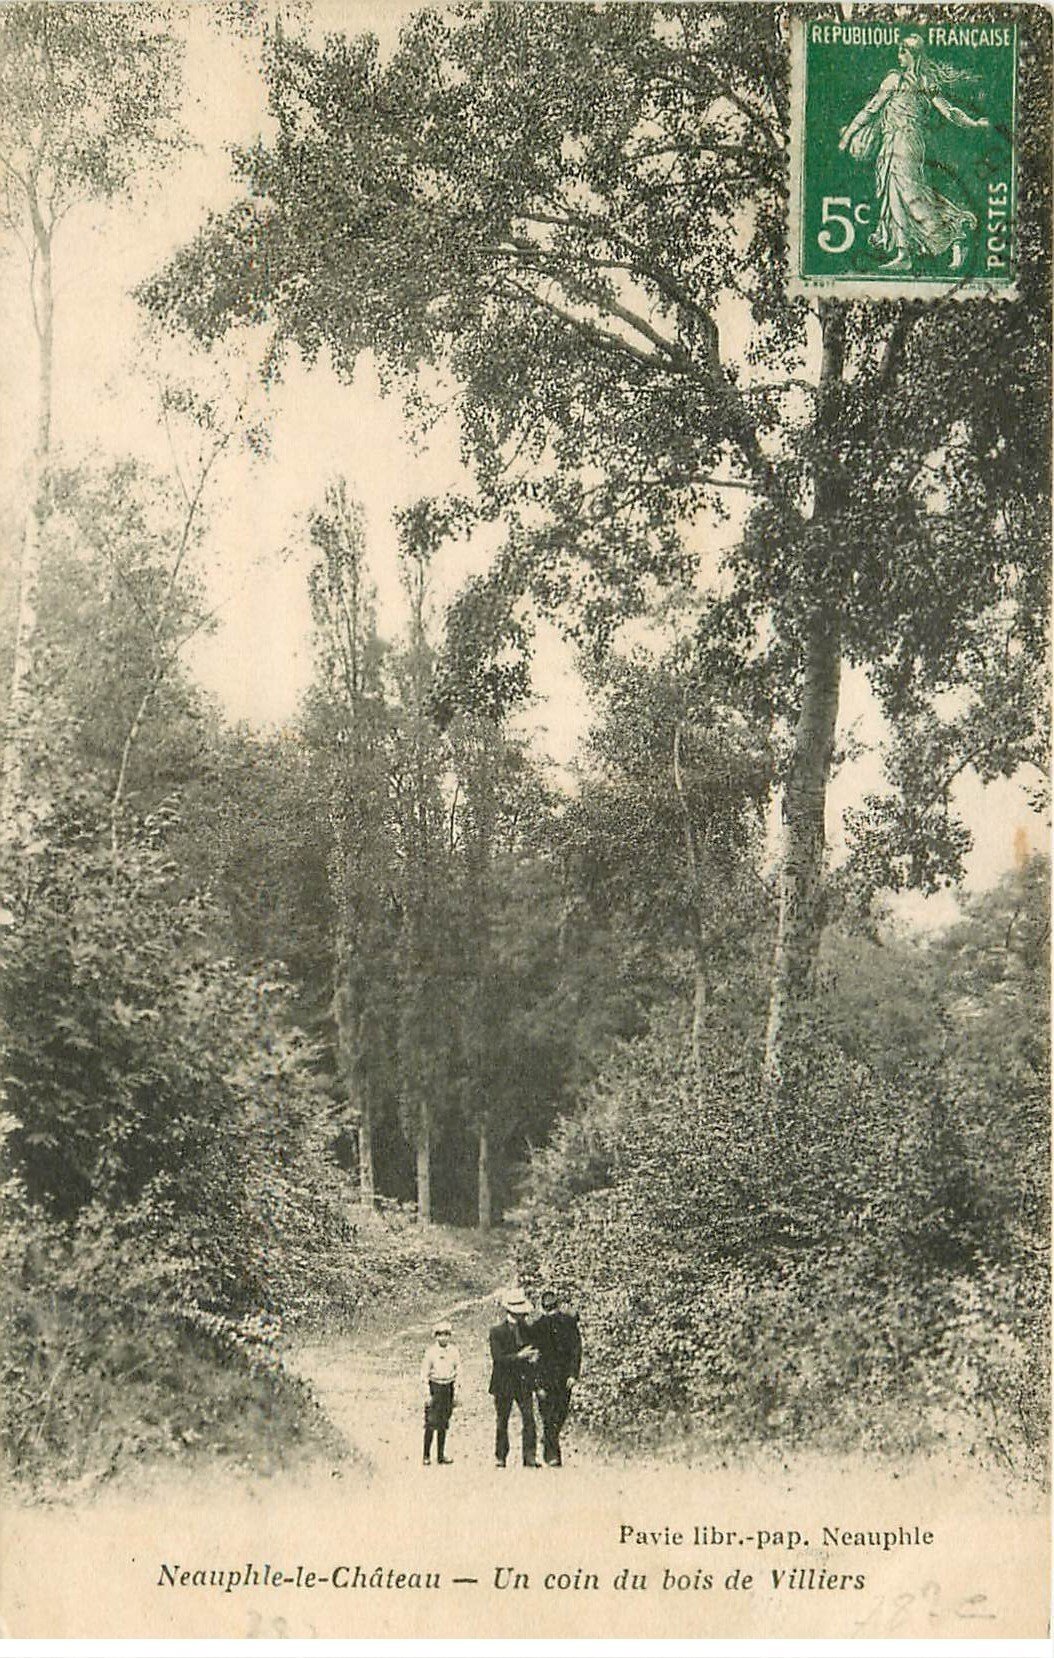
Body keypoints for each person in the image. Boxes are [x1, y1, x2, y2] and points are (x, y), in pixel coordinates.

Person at [838, 33, 989, 272]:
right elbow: (871, 109)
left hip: (906, 144)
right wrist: (848, 136)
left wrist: (973, 124)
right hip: (893, 143)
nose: (899, 54)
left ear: (913, 55)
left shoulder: (917, 82)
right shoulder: (898, 80)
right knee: (899, 194)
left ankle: (952, 236)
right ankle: (904, 252)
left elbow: (948, 111)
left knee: (910, 196)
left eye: (903, 50)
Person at [488, 1288, 541, 1468]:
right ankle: (501, 1456)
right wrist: (520, 1356)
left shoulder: (527, 1329)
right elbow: (498, 1358)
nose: (523, 1315)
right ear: (511, 1311)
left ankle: (530, 1457)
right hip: (503, 1383)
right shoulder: (496, 1332)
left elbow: (534, 1350)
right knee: (502, 1420)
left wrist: (533, 1357)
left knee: (529, 1418)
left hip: (523, 1382)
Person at [532, 1288, 583, 1467]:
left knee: (560, 1413)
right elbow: (533, 1359)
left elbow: (576, 1350)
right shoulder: (537, 1327)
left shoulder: (568, 1323)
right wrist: (537, 1384)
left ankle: (549, 1441)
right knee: (547, 1415)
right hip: (545, 1379)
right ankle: (552, 1454)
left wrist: (572, 1374)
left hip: (563, 1378)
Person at [420, 1319, 459, 1466]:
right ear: (435, 1336)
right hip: (434, 1387)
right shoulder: (431, 1352)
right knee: (431, 1422)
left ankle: (441, 1455)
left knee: (444, 1422)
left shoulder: (454, 1351)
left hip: (447, 1387)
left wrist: (456, 1392)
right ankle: (426, 1455)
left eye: (446, 1334)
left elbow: (458, 1370)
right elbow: (424, 1374)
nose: (443, 1338)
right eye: (440, 1335)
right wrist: (427, 1394)